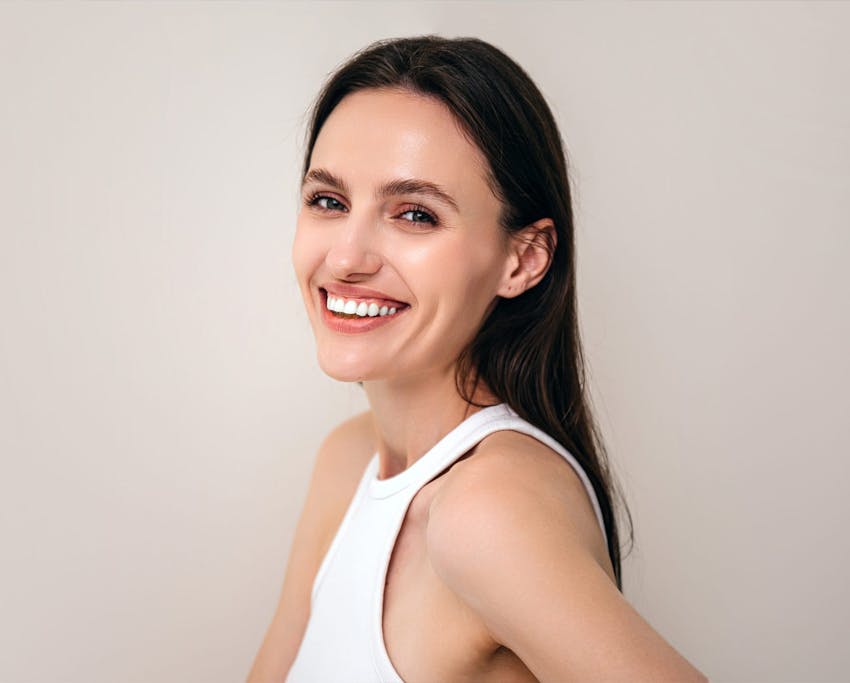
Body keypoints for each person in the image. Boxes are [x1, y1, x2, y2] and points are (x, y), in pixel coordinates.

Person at [247, 35, 708, 683]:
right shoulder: (347, 459)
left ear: (522, 259)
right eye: (329, 200)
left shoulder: (484, 509)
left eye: (414, 214)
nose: (347, 257)